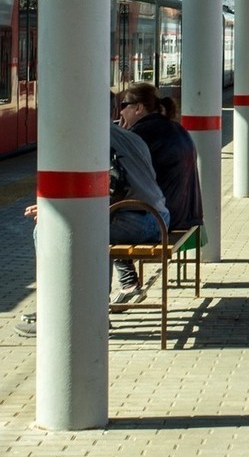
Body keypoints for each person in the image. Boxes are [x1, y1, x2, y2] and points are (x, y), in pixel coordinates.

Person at [15, 113, 169, 336]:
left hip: (136, 220)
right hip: (158, 218)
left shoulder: (88, 139)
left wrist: (54, 211)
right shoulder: (132, 137)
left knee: (48, 230)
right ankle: (93, 312)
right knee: (98, 236)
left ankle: (55, 315)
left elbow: (104, 192)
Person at [118, 82, 203, 231]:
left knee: (95, 228)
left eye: (124, 105)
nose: (121, 112)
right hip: (188, 215)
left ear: (138, 108)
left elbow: (124, 182)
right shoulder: (176, 127)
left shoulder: (141, 135)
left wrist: (123, 138)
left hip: (165, 218)